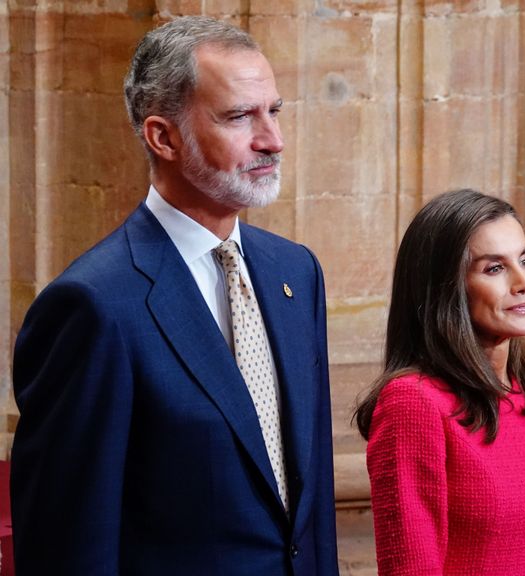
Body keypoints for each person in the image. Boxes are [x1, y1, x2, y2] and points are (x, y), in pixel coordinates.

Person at [10, 16, 338, 575]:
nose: (273, 140)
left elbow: (312, 500)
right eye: (240, 116)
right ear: (162, 136)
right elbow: (67, 545)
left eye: (274, 111)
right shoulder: (92, 306)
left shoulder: (296, 272)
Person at [355, 189, 525, 575]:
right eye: (494, 268)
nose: (524, 282)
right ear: (447, 289)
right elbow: (412, 568)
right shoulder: (413, 403)